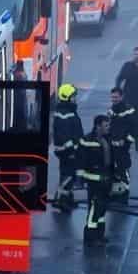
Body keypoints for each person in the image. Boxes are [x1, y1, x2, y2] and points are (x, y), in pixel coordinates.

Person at [76, 114, 115, 246]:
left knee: (102, 209)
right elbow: (80, 160)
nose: (108, 128)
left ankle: (100, 235)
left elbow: (112, 160)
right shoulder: (87, 140)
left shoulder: (108, 138)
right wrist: (80, 179)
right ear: (98, 126)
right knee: (94, 208)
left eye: (109, 125)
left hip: (106, 180)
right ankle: (90, 238)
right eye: (106, 125)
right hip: (94, 181)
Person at [51, 84, 83, 212]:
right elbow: (65, 135)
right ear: (68, 98)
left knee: (68, 174)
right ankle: (61, 200)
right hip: (67, 150)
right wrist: (72, 150)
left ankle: (67, 198)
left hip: (66, 149)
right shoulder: (65, 113)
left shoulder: (67, 110)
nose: (75, 98)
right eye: (73, 96)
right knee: (68, 175)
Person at [107, 88, 136, 203]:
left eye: (116, 97)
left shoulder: (129, 111)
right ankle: (116, 192)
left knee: (123, 169)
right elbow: (108, 127)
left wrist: (126, 142)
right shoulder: (111, 111)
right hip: (112, 147)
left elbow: (135, 129)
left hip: (122, 148)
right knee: (114, 170)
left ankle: (124, 193)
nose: (114, 99)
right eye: (112, 97)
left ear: (122, 97)